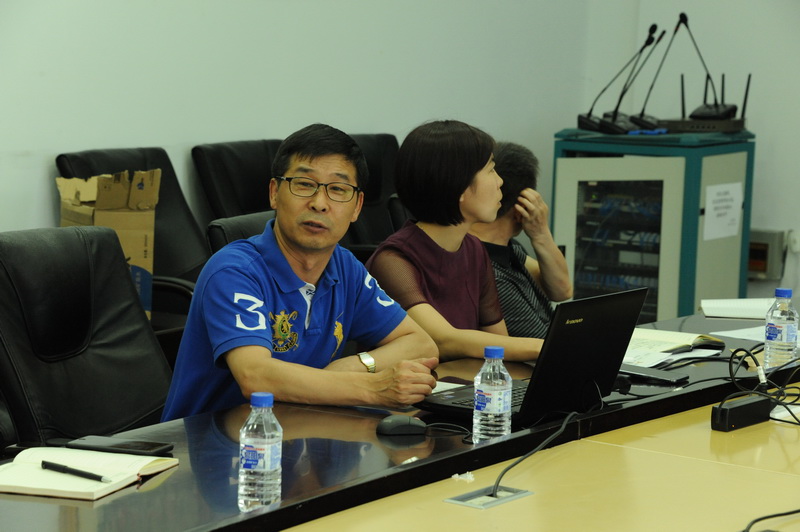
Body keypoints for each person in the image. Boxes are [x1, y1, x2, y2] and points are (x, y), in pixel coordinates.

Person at [163, 124, 438, 421]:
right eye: (304, 184)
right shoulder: (234, 271)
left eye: (338, 189)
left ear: (357, 207)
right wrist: (373, 387)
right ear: (274, 193)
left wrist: (353, 366)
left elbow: (421, 344)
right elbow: (255, 376)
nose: (319, 204)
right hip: (208, 439)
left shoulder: (345, 268)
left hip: (301, 429)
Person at [366, 120, 542, 362]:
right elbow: (443, 340)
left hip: (466, 383)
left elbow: (498, 342)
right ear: (459, 185)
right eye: (491, 170)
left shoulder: (474, 249)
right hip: (414, 384)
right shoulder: (393, 260)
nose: (500, 181)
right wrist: (545, 347)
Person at [469, 142, 572, 339]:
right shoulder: (490, 273)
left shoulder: (508, 248)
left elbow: (561, 290)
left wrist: (541, 234)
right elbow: (543, 343)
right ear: (523, 206)